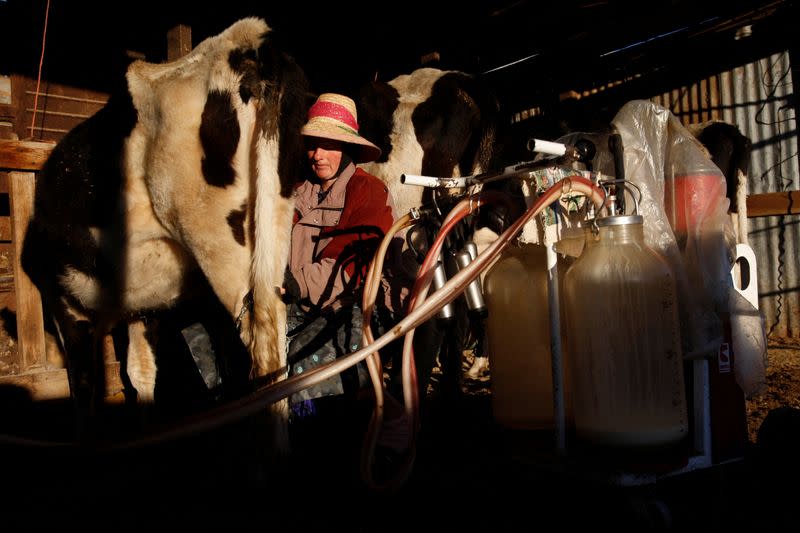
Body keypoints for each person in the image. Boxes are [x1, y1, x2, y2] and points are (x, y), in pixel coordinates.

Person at [281, 93, 400, 451]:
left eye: (328, 145)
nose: (316, 154)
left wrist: (294, 284)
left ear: (347, 147)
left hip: (354, 309)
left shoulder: (367, 191)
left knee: (302, 367)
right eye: (312, 145)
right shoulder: (295, 194)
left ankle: (336, 444)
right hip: (300, 304)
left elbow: (351, 266)